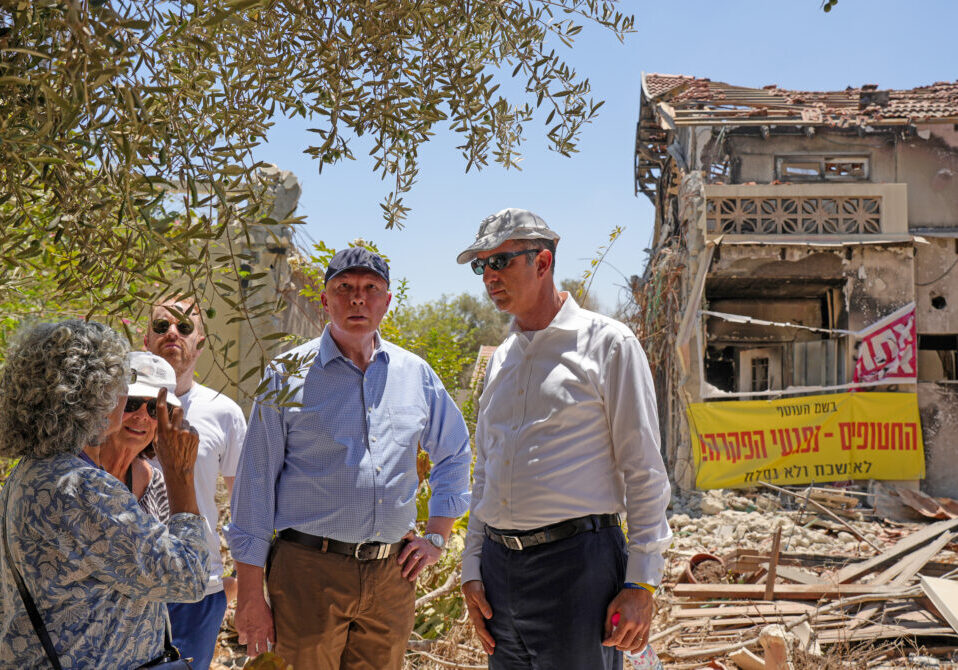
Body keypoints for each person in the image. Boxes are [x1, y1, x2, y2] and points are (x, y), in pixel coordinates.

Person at [229, 247, 472, 670]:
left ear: (387, 301)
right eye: (344, 288)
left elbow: (454, 451)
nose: (357, 298)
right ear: (325, 300)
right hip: (307, 573)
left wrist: (437, 535)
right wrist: (250, 593)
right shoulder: (286, 376)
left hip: (391, 577)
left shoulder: (415, 375)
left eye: (370, 289)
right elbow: (254, 484)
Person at [457, 208, 673, 670]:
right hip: (499, 575)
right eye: (482, 266)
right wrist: (472, 569)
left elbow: (644, 470)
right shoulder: (500, 360)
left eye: (501, 262)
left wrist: (641, 584)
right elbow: (486, 473)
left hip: (578, 571)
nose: (489, 277)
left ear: (542, 263)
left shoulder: (609, 344)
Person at [0, 320, 210, 668]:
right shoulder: (79, 487)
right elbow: (189, 576)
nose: (125, 400)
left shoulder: (33, 472)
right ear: (89, 397)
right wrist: (179, 474)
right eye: (120, 390)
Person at [144, 297, 248, 670]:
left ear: (200, 343)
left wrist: (240, 577)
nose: (173, 333)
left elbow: (244, 503)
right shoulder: (121, 406)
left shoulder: (225, 412)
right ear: (146, 339)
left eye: (185, 327)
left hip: (198, 590)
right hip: (130, 583)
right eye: (161, 326)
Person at [86, 351, 180, 521]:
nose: (142, 416)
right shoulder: (76, 469)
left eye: (154, 409)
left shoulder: (157, 484)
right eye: (132, 403)